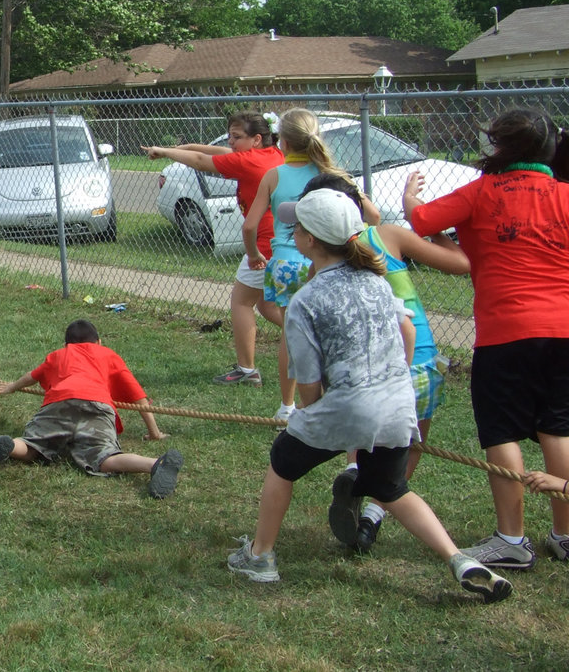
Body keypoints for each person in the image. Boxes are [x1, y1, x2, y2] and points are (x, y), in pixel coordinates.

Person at [226, 188, 512, 603]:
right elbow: (408, 331)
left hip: (346, 408)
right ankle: (460, 560)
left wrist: (312, 415)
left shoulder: (306, 300)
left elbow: (306, 383)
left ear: (308, 241)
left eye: (297, 226)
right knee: (392, 488)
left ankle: (261, 556)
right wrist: (394, 377)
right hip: (397, 409)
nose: (293, 231)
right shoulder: (377, 282)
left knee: (281, 463)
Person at [405, 105, 569, 568]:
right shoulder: (564, 194)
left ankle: (512, 541)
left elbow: (422, 224)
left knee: (501, 431)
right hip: (563, 328)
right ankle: (565, 534)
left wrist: (409, 198)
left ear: (497, 146)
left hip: (504, 332)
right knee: (558, 426)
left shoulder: (480, 191)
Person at [299, 172, 470, 553]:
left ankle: (355, 469)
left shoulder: (318, 268)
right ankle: (373, 516)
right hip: (419, 367)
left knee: (364, 423)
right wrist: (430, 222)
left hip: (360, 377)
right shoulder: (389, 236)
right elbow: (461, 263)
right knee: (410, 444)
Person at [242, 108, 374, 427]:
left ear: (282, 142)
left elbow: (249, 226)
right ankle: (337, 396)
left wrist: (254, 254)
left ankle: (289, 405)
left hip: (285, 264)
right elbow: (374, 216)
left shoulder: (274, 175)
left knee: (292, 336)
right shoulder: (334, 175)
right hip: (327, 261)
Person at [142, 111, 284, 386]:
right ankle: (312, 339)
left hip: (263, 244)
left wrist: (166, 152)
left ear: (256, 139)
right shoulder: (271, 154)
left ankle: (247, 370)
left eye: (237, 137)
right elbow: (212, 151)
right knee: (267, 306)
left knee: (241, 301)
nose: (230, 142)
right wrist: (178, 148)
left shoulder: (249, 161)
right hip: (277, 242)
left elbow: (201, 161)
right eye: (230, 135)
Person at [0, 319, 184, 498]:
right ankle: (155, 464)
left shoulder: (58, 355)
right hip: (97, 406)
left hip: (59, 403)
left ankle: (9, 445)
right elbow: (139, 398)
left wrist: (11, 387)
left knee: (34, 445)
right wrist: (154, 433)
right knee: (105, 458)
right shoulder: (107, 354)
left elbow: (32, 377)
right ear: (99, 342)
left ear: (66, 345)